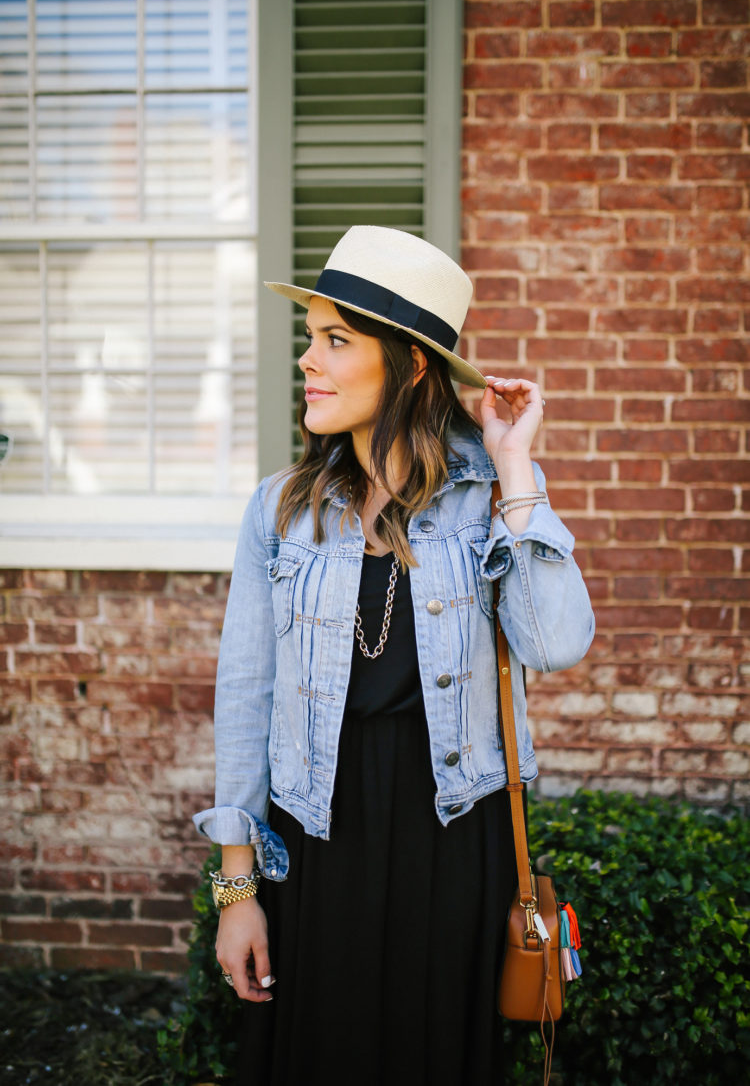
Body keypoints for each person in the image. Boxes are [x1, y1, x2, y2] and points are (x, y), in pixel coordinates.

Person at [193, 225, 595, 1086]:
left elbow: (556, 643)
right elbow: (245, 694)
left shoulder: (487, 495)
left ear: (411, 366)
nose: (310, 359)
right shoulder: (280, 511)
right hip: (317, 836)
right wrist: (237, 891)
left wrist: (516, 466)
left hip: (452, 838)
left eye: (337, 340)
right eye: (311, 337)